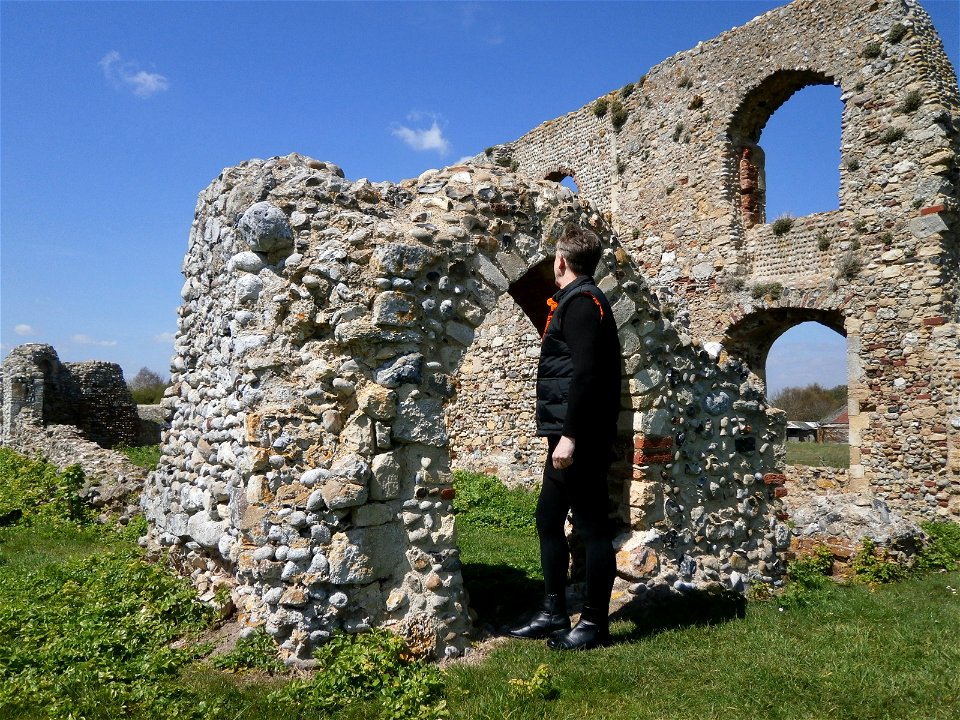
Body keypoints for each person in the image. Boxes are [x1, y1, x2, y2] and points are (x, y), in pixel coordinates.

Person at [508, 224, 622, 650]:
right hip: (565, 433)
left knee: (592, 528)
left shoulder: (582, 303)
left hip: (580, 438)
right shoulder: (575, 301)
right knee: (548, 519)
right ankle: (553, 611)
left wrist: (570, 437)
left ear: (561, 260)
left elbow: (587, 374)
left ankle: (594, 624)